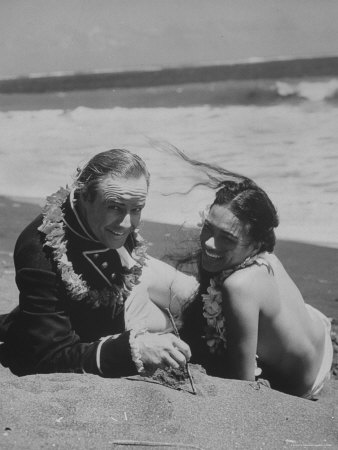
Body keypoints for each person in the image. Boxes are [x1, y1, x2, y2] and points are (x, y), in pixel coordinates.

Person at [0, 149, 198, 377]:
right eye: (114, 207)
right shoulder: (39, 252)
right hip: (105, 319)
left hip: (128, 284)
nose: (126, 223)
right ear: (84, 195)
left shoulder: (118, 207)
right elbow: (50, 356)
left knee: (205, 302)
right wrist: (133, 349)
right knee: (182, 330)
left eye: (137, 209)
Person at [182, 176, 333, 399]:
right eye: (208, 228)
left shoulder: (239, 287)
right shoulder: (267, 258)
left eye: (227, 238)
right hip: (320, 339)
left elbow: (242, 385)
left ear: (255, 243)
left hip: (308, 382)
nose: (209, 243)